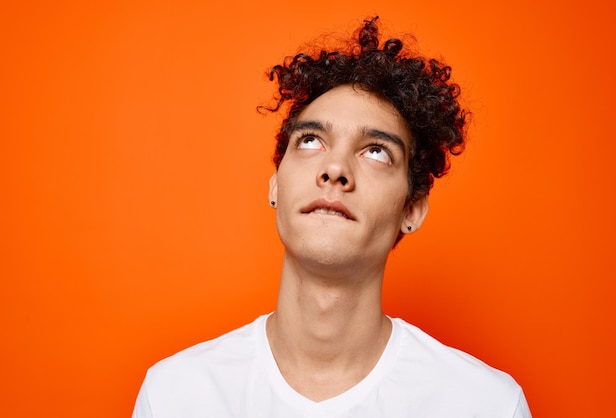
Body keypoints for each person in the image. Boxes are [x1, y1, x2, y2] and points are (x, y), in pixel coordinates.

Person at [132, 17, 531, 418]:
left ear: (411, 209)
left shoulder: (486, 405)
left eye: (376, 151)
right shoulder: (174, 396)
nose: (335, 167)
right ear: (275, 185)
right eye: (311, 140)